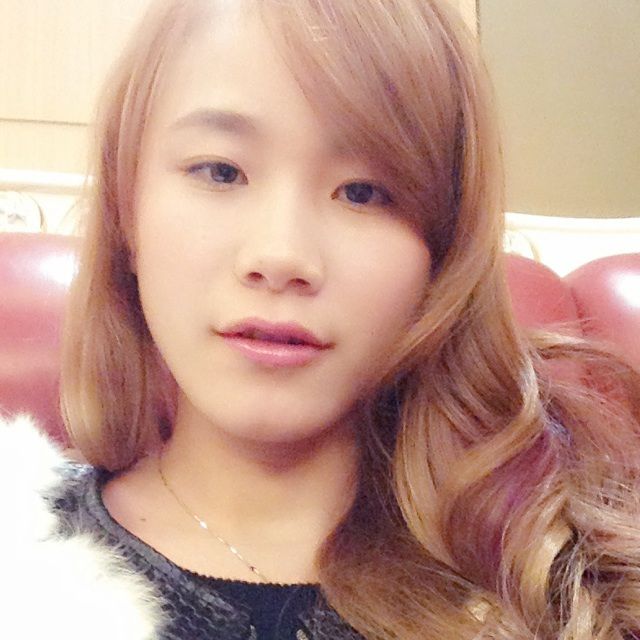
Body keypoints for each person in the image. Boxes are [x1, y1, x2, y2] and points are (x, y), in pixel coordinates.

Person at [2, 0, 639, 638]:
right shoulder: (21, 551)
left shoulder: (558, 568)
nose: (281, 256)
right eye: (222, 172)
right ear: (126, 210)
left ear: (444, 251)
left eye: (363, 192)